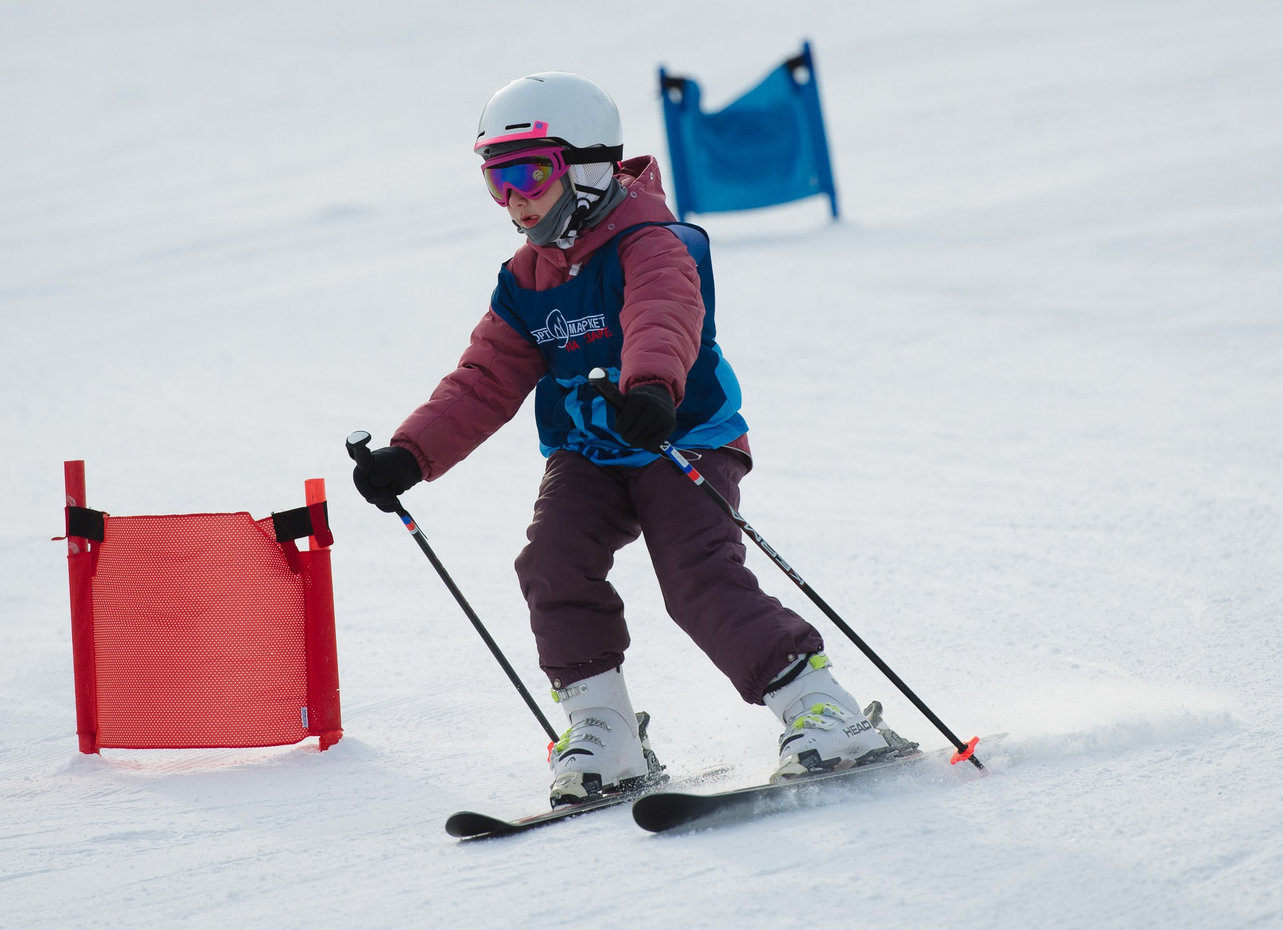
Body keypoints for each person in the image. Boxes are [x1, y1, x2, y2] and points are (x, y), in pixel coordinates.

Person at [350, 71, 894, 805]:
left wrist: (651, 389)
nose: (513, 200)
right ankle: (604, 729)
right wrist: (410, 453)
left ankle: (824, 709)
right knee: (552, 562)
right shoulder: (526, 280)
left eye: (528, 175)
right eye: (495, 181)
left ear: (587, 168)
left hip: (679, 434)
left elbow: (663, 316)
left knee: (697, 578)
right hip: (590, 450)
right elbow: (484, 379)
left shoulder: (653, 243)